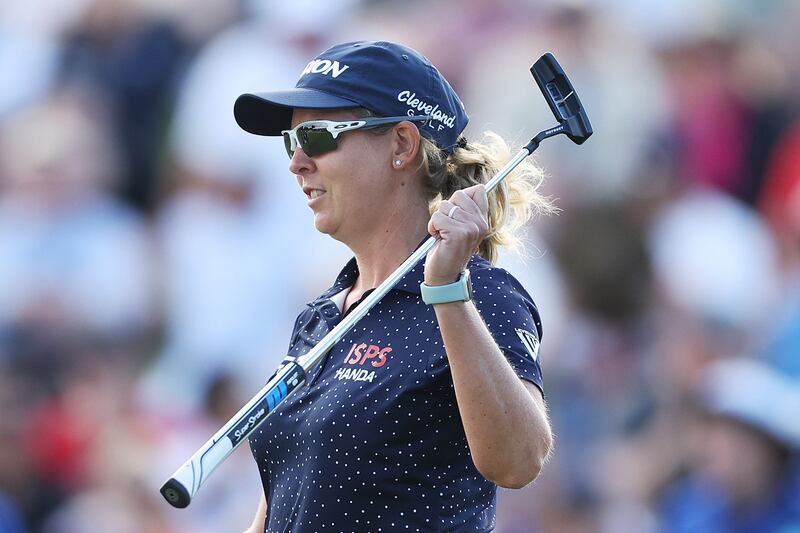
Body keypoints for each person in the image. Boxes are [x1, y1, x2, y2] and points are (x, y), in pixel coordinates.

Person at [234, 40, 554, 532]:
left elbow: (519, 461)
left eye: (317, 137)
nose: (297, 162)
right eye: (290, 142)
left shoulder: (479, 292)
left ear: (402, 145)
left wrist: (447, 291)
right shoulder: (320, 316)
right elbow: (283, 503)